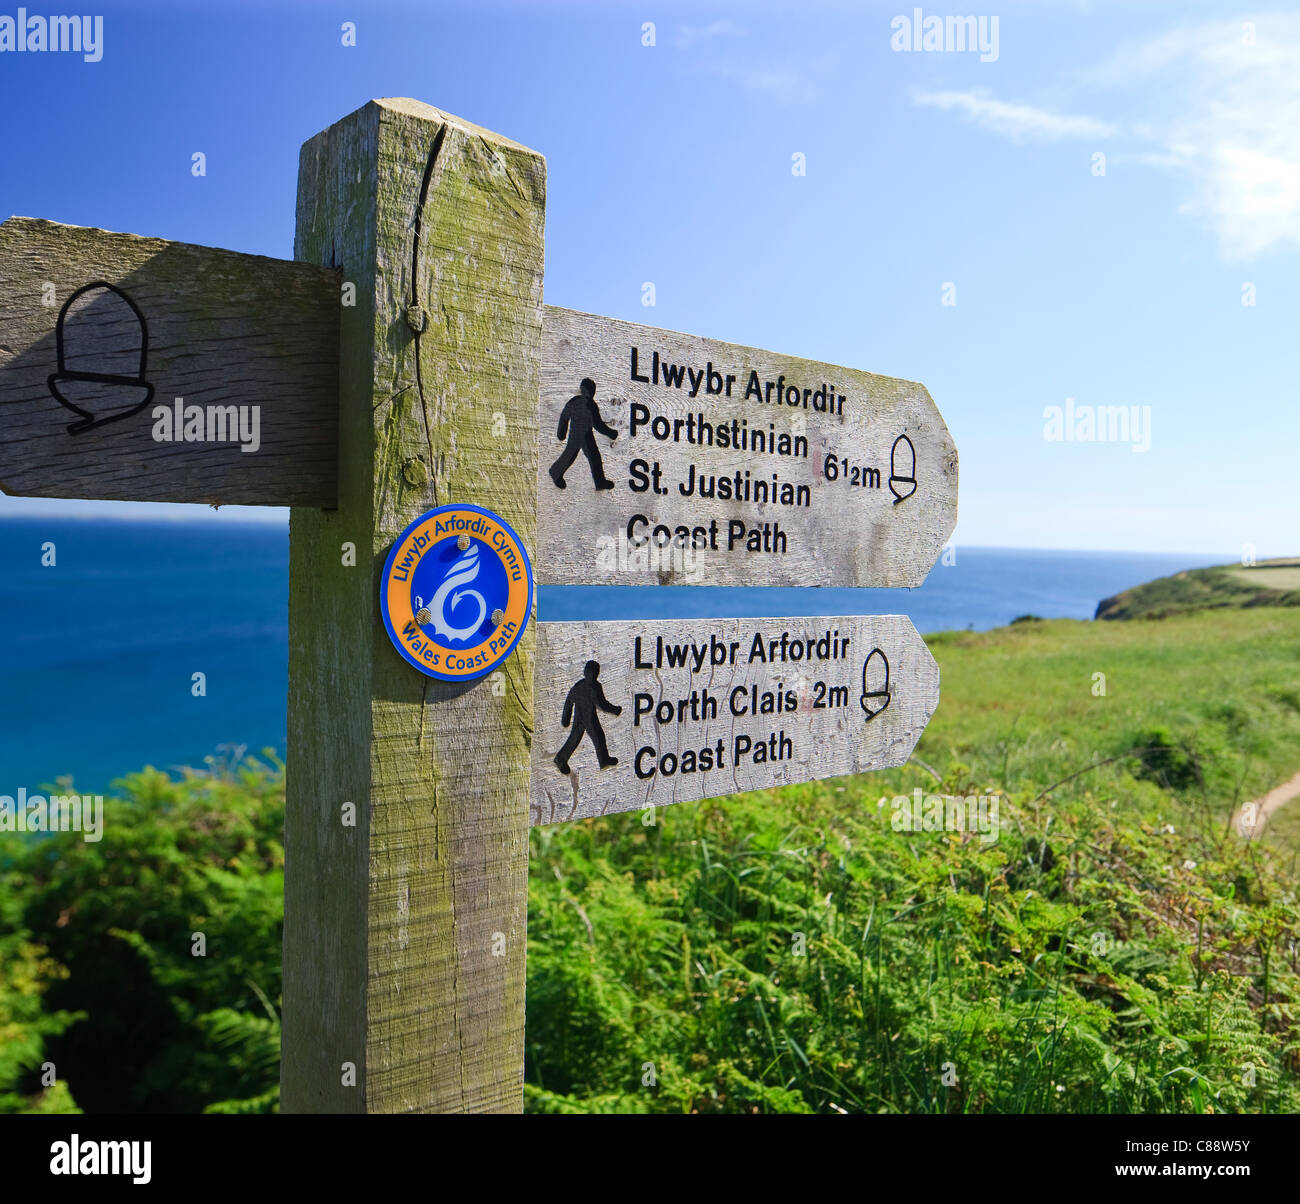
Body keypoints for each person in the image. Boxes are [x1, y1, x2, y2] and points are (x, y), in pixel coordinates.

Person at [554, 660, 622, 773]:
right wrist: (615, 710)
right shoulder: (594, 687)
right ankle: (603, 760)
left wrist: (565, 718)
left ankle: (561, 758)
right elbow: (602, 704)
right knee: (597, 736)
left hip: (580, 716)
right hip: (588, 717)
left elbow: (569, 702)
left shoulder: (579, 684)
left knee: (576, 738)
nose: (592, 675)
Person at [549, 378, 617, 489]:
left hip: (577, 434)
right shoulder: (590, 405)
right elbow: (598, 424)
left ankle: (555, 472)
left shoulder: (574, 401)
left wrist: (561, 432)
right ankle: (555, 472)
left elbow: (564, 417)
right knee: (591, 457)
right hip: (584, 435)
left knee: (573, 455)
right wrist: (611, 433)